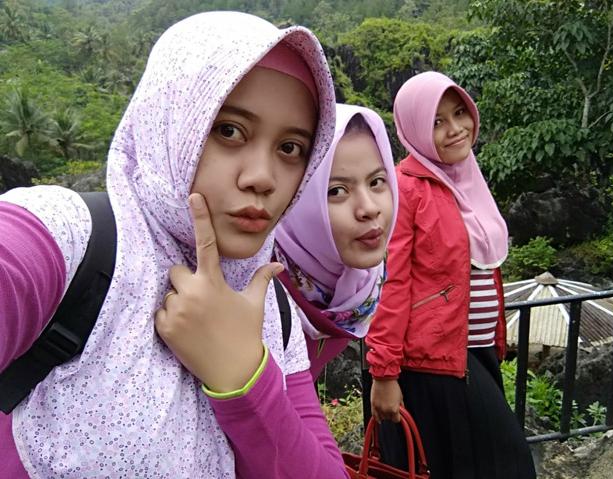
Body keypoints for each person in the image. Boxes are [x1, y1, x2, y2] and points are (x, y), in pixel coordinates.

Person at [0, 11, 350, 478]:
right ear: (168, 123)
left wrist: (244, 375)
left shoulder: (270, 305)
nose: (263, 178)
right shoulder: (72, 241)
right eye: (228, 130)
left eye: (290, 148)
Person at [366, 71, 536, 479]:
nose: (455, 128)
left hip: (474, 352)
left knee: (464, 467)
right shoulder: (406, 188)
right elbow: (391, 282)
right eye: (437, 121)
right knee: (509, 465)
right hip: (430, 362)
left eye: (459, 113)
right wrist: (384, 373)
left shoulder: (466, 178)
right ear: (415, 129)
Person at [274, 103, 398, 381]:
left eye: (377, 182)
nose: (369, 208)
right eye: (337, 191)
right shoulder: (260, 291)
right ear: (299, 199)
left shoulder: (363, 281)